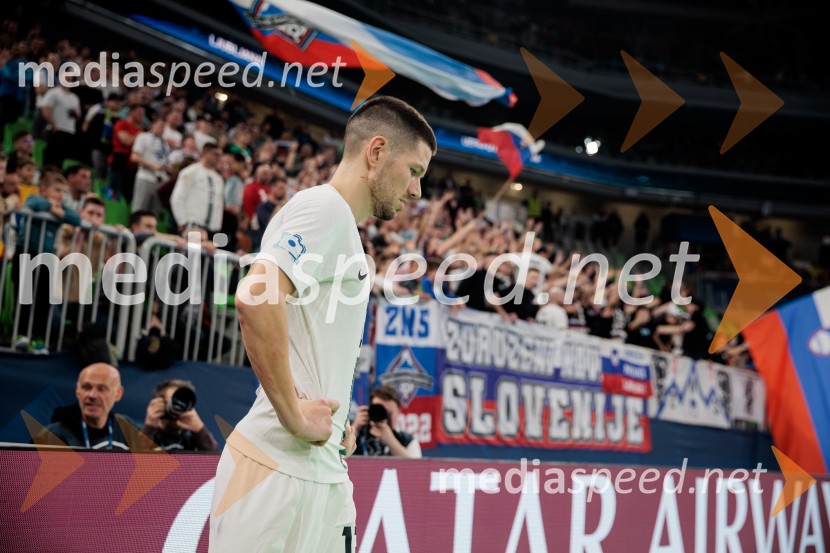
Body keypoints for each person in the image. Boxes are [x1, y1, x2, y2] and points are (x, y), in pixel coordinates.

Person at [210, 96, 435, 553]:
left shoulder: (341, 228)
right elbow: (256, 296)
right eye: (414, 171)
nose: (416, 191)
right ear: (376, 152)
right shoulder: (325, 209)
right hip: (275, 470)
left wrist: (330, 420)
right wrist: (294, 415)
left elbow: (304, 337)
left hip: (320, 469)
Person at [35, 363, 135, 450]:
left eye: (102, 389)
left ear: (118, 393)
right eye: (86, 387)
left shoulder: (126, 428)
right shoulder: (51, 437)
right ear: (77, 390)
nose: (92, 395)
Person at [141, 379, 219, 451]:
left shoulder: (193, 441)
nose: (179, 406)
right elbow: (134, 461)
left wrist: (200, 430)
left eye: (183, 401)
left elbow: (217, 462)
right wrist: (149, 427)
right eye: (174, 401)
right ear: (159, 404)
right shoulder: (144, 433)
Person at [352, 385, 422, 458]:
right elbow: (340, 455)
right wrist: (355, 428)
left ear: (398, 412)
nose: (383, 416)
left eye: (388, 413)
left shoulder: (407, 440)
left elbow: (416, 467)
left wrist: (390, 441)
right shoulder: (357, 432)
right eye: (378, 410)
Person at [170, 143, 224, 235]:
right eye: (215, 154)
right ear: (204, 154)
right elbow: (177, 197)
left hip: (211, 229)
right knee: (191, 249)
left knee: (208, 249)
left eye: (220, 155)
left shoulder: (218, 179)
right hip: (193, 224)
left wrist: (217, 226)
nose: (218, 158)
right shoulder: (191, 172)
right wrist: (182, 221)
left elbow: (219, 204)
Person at [131, 117, 171, 214]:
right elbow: (134, 157)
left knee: (154, 214)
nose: (162, 128)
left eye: (163, 127)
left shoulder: (165, 144)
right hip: (145, 177)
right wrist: (152, 165)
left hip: (161, 181)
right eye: (159, 125)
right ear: (152, 125)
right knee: (139, 211)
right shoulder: (143, 137)